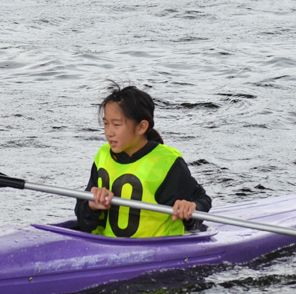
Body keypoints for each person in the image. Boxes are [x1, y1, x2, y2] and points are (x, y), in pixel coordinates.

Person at [75, 84, 212, 237]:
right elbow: (82, 216)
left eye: (117, 125)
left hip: (156, 250)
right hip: (106, 247)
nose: (109, 132)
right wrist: (91, 206)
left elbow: (202, 201)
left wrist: (190, 207)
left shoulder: (165, 164)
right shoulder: (103, 156)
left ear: (141, 127)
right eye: (106, 123)